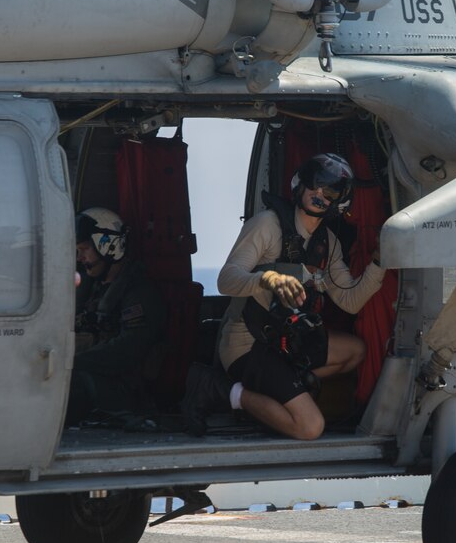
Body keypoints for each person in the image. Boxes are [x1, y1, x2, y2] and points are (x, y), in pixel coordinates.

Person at [187, 153, 385, 440]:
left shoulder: (327, 243)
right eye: (314, 184)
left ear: (338, 202)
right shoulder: (267, 225)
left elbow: (350, 300)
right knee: (310, 427)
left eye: (329, 190)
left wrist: (379, 263)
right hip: (248, 343)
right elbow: (226, 279)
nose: (318, 193)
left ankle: (287, 388)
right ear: (300, 185)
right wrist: (267, 279)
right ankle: (222, 390)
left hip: (287, 345)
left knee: (355, 351)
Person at [66, 207, 165, 427]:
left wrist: (69, 362)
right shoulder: (94, 288)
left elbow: (127, 351)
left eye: (84, 249)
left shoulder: (139, 293)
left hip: (125, 391)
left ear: (108, 246)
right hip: (99, 380)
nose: (80, 258)